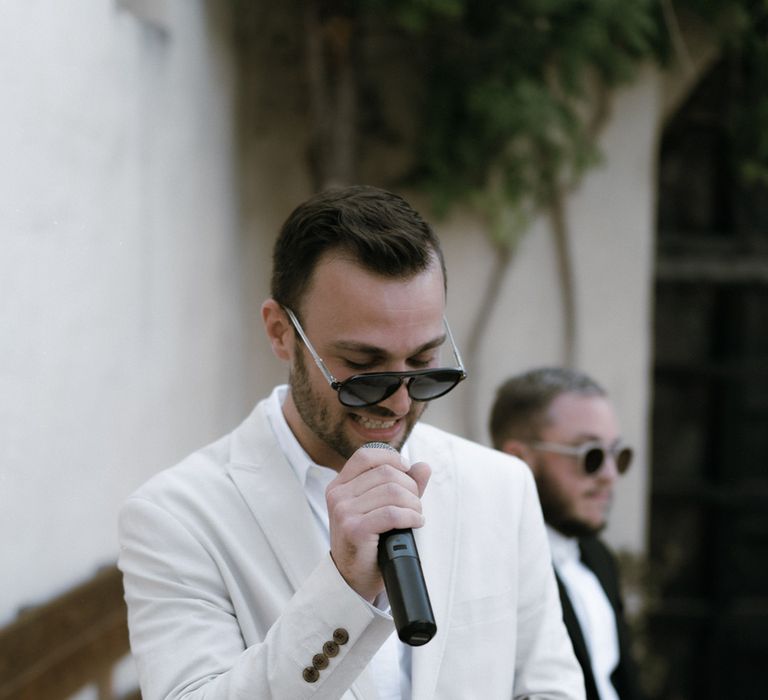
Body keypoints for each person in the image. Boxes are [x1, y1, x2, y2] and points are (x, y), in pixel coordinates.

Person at [118, 186, 584, 700]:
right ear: (280, 333)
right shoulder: (174, 518)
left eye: (424, 363)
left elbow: (550, 686)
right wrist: (342, 589)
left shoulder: (500, 487)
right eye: (363, 368)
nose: (400, 404)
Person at [489, 367, 646, 700]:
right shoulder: (489, 567)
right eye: (590, 455)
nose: (609, 475)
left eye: (618, 455)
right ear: (518, 459)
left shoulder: (598, 557)